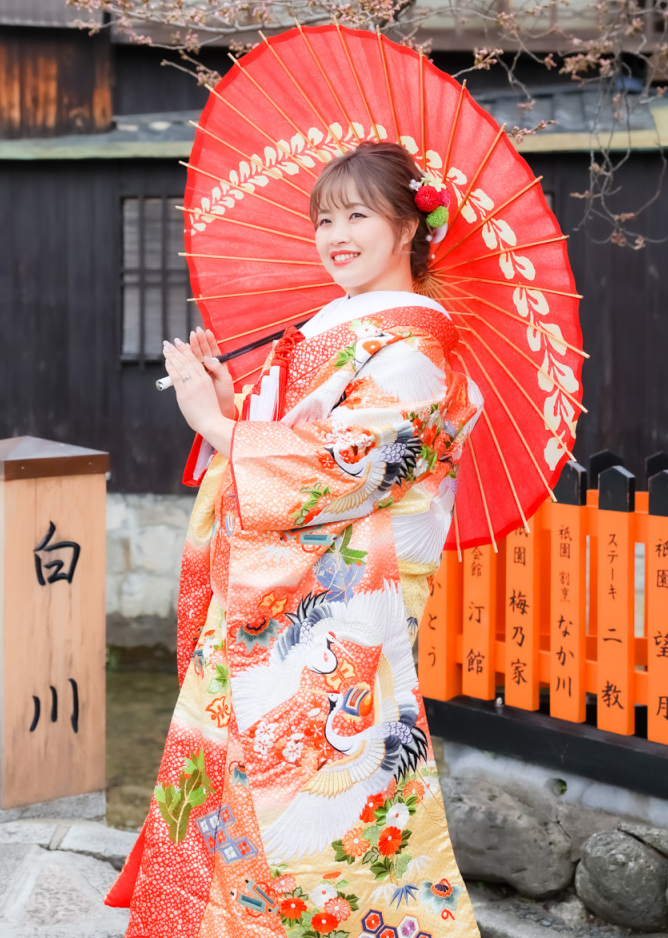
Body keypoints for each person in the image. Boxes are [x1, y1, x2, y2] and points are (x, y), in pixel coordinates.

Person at [107, 140, 484, 938]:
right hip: (265, 593)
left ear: (410, 227)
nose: (336, 234)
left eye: (357, 215)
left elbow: (350, 465)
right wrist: (227, 405)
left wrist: (217, 427)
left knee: (319, 817)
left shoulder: (418, 348)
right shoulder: (335, 324)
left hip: (332, 619)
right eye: (324, 218)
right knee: (220, 785)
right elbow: (283, 436)